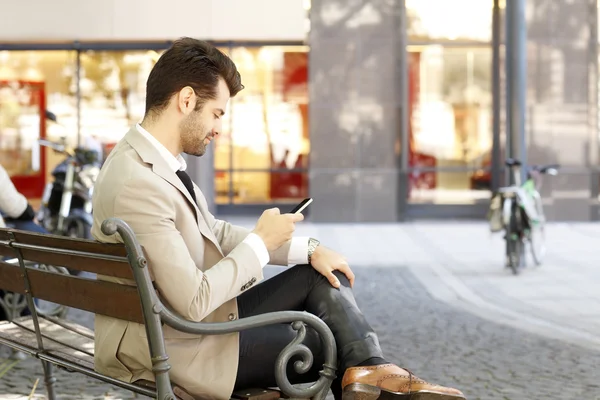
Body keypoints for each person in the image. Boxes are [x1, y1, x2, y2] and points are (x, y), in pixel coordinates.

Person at [90, 38, 465, 400]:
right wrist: (258, 243)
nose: (218, 128)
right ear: (186, 100)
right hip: (179, 348)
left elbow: (213, 232)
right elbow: (194, 301)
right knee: (322, 342)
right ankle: (373, 378)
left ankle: (373, 371)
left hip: (182, 329)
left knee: (314, 272)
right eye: (216, 113)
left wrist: (305, 247)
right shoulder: (139, 183)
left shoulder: (147, 163)